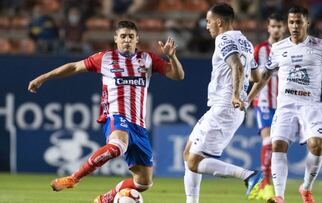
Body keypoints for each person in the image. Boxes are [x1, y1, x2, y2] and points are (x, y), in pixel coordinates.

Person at [28, 20, 185, 203]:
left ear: (137, 40)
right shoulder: (105, 58)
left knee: (143, 183)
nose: (127, 40)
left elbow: (178, 75)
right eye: (123, 36)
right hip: (116, 115)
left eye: (131, 37)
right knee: (118, 146)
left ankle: (106, 198)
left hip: (139, 125)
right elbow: (74, 67)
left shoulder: (148, 59)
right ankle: (74, 178)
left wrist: (172, 57)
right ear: (116, 39)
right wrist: (43, 77)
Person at [247, 6, 322, 203]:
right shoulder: (278, 49)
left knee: (318, 145)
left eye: (298, 22)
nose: (294, 26)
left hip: (309, 106)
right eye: (291, 22)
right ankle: (279, 196)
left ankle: (306, 188)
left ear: (307, 23)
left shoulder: (320, 46)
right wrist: (247, 98)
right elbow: (264, 78)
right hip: (285, 106)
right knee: (277, 144)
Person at [182, 3, 263, 203]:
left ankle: (250, 175)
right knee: (188, 152)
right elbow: (257, 76)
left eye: (209, 22)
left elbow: (236, 65)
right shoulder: (246, 42)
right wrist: (248, 98)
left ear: (219, 22)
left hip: (225, 106)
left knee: (193, 162)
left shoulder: (223, 39)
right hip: (225, 107)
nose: (207, 26)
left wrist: (236, 95)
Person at [249, 12, 286, 201]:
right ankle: (266, 184)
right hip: (263, 101)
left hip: (283, 103)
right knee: (268, 141)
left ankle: (265, 183)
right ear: (268, 27)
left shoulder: (290, 48)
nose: (277, 29)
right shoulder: (260, 50)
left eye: (280, 26)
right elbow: (253, 74)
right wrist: (250, 96)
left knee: (278, 145)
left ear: (284, 28)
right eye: (274, 26)